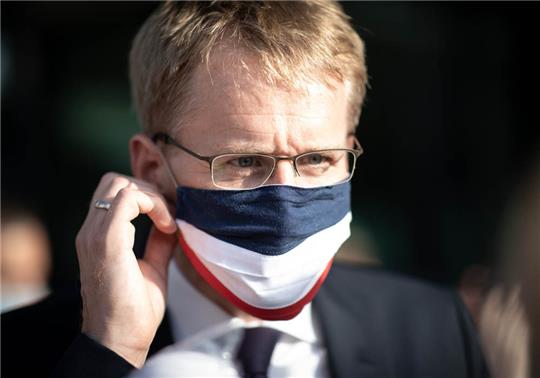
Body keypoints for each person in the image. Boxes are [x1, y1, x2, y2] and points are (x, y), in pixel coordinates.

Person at [1, 2, 489, 377]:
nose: (284, 199)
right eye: (243, 161)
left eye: (317, 159)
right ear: (151, 167)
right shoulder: (26, 350)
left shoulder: (431, 328)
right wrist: (110, 352)